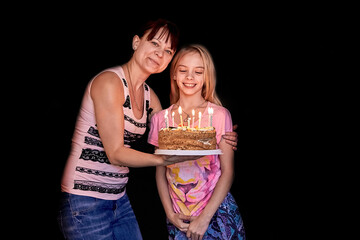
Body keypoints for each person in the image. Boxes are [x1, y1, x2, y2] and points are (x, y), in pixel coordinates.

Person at [58, 19, 238, 240]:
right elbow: (115, 154)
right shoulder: (109, 82)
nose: (159, 53)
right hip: (85, 199)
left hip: (118, 197)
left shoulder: (149, 97)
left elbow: (174, 132)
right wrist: (164, 160)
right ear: (136, 42)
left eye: (167, 50)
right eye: (154, 43)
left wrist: (223, 134)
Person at [148, 44, 246, 240]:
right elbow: (160, 171)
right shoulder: (161, 119)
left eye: (198, 72)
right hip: (179, 215)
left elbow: (228, 171)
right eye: (183, 70)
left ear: (206, 76)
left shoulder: (219, 115)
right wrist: (169, 213)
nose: (190, 77)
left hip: (217, 212)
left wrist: (204, 218)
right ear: (174, 75)